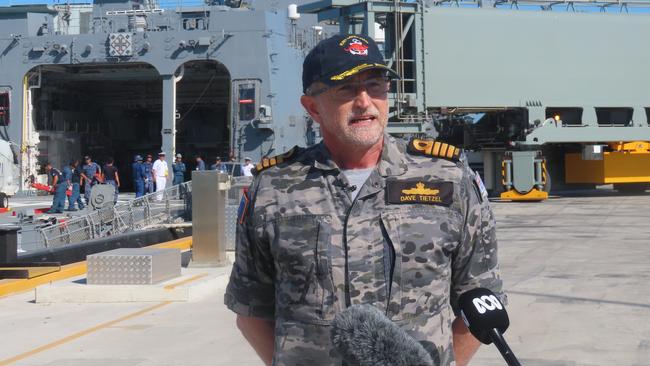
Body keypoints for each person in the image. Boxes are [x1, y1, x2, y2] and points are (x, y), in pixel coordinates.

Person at [224, 34, 503, 366]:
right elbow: (251, 310)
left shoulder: (448, 180)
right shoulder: (273, 188)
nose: (364, 102)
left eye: (375, 86)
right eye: (346, 89)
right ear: (312, 107)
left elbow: (483, 296)